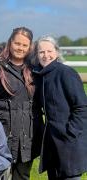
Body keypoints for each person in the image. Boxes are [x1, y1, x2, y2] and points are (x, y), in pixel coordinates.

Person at [0, 27, 44, 180]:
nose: (20, 48)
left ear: (30, 47)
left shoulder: (35, 68)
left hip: (28, 134)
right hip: (2, 133)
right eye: (17, 43)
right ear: (10, 42)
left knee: (22, 176)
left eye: (24, 45)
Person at [33, 35, 87, 180]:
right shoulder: (40, 76)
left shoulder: (66, 73)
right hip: (52, 143)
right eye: (41, 52)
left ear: (56, 52)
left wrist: (71, 133)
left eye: (49, 51)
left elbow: (82, 107)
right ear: (37, 55)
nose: (46, 55)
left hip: (69, 143)